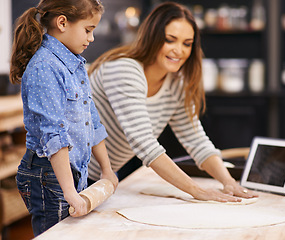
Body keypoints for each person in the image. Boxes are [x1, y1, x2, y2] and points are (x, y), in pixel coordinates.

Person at [87, 2, 258, 203]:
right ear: (152, 38)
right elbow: (144, 144)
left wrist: (229, 182)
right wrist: (198, 191)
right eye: (170, 40)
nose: (179, 50)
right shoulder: (126, 70)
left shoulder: (177, 84)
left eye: (187, 43)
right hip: (69, 172)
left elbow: (197, 141)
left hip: (103, 176)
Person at [10, 0, 118, 236]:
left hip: (70, 171)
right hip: (48, 176)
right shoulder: (44, 67)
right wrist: (68, 191)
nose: (91, 38)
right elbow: (54, 135)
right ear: (62, 23)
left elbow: (92, 119)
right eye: (88, 29)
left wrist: (107, 170)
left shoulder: (74, 63)